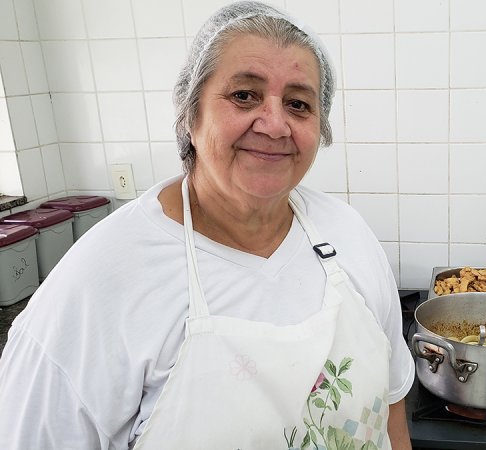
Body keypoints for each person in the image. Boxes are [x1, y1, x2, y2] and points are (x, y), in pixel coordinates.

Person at [0, 2, 415, 449]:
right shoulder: (95, 286)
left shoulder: (348, 235)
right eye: (244, 95)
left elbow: (391, 405)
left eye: (298, 104)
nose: (275, 124)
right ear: (190, 115)